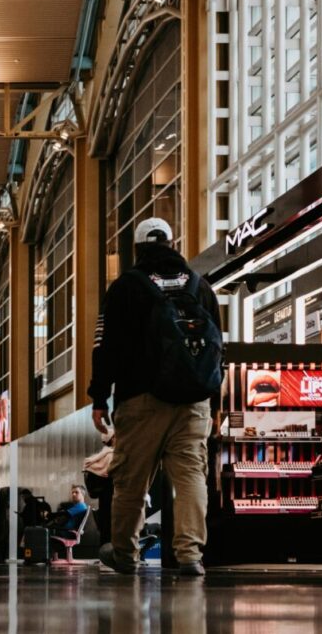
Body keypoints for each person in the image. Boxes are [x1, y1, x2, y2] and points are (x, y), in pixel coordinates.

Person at [88, 217, 221, 577]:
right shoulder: (199, 286)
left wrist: (99, 396)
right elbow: (216, 350)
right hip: (194, 402)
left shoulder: (127, 287)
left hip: (141, 399)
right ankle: (191, 555)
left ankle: (125, 554)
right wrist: (214, 404)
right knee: (191, 477)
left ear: (139, 247)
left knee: (131, 480)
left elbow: (106, 347)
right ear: (172, 243)